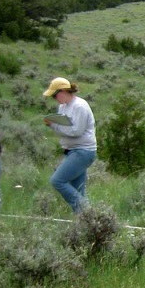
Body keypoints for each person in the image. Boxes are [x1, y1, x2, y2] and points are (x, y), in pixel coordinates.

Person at [43, 77, 97, 212]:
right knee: (79, 189)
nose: (55, 99)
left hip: (82, 151)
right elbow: (65, 127)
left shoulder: (79, 106)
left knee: (57, 181)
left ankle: (88, 213)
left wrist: (54, 125)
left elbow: (76, 131)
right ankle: (86, 221)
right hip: (72, 151)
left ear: (63, 91)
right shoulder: (63, 106)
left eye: (55, 95)